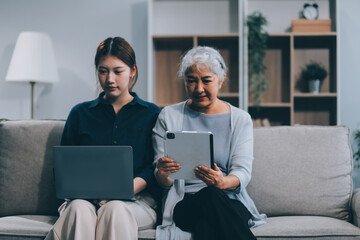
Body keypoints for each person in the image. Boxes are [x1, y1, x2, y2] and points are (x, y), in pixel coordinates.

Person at [45, 37, 161, 240]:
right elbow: (64, 166)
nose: (109, 79)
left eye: (118, 71)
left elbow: (153, 167)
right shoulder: (80, 113)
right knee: (79, 209)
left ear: (132, 70)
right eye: (103, 71)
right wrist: (88, 193)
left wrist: (121, 191)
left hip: (136, 201)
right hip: (83, 199)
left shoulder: (151, 113)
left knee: (114, 209)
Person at [153, 46, 266, 240]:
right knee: (208, 196)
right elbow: (161, 178)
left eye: (206, 80)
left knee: (206, 223)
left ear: (221, 80)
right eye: (191, 81)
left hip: (229, 201)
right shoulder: (169, 116)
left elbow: (242, 172)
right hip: (185, 204)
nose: (198, 89)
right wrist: (163, 174)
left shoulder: (240, 119)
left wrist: (222, 182)